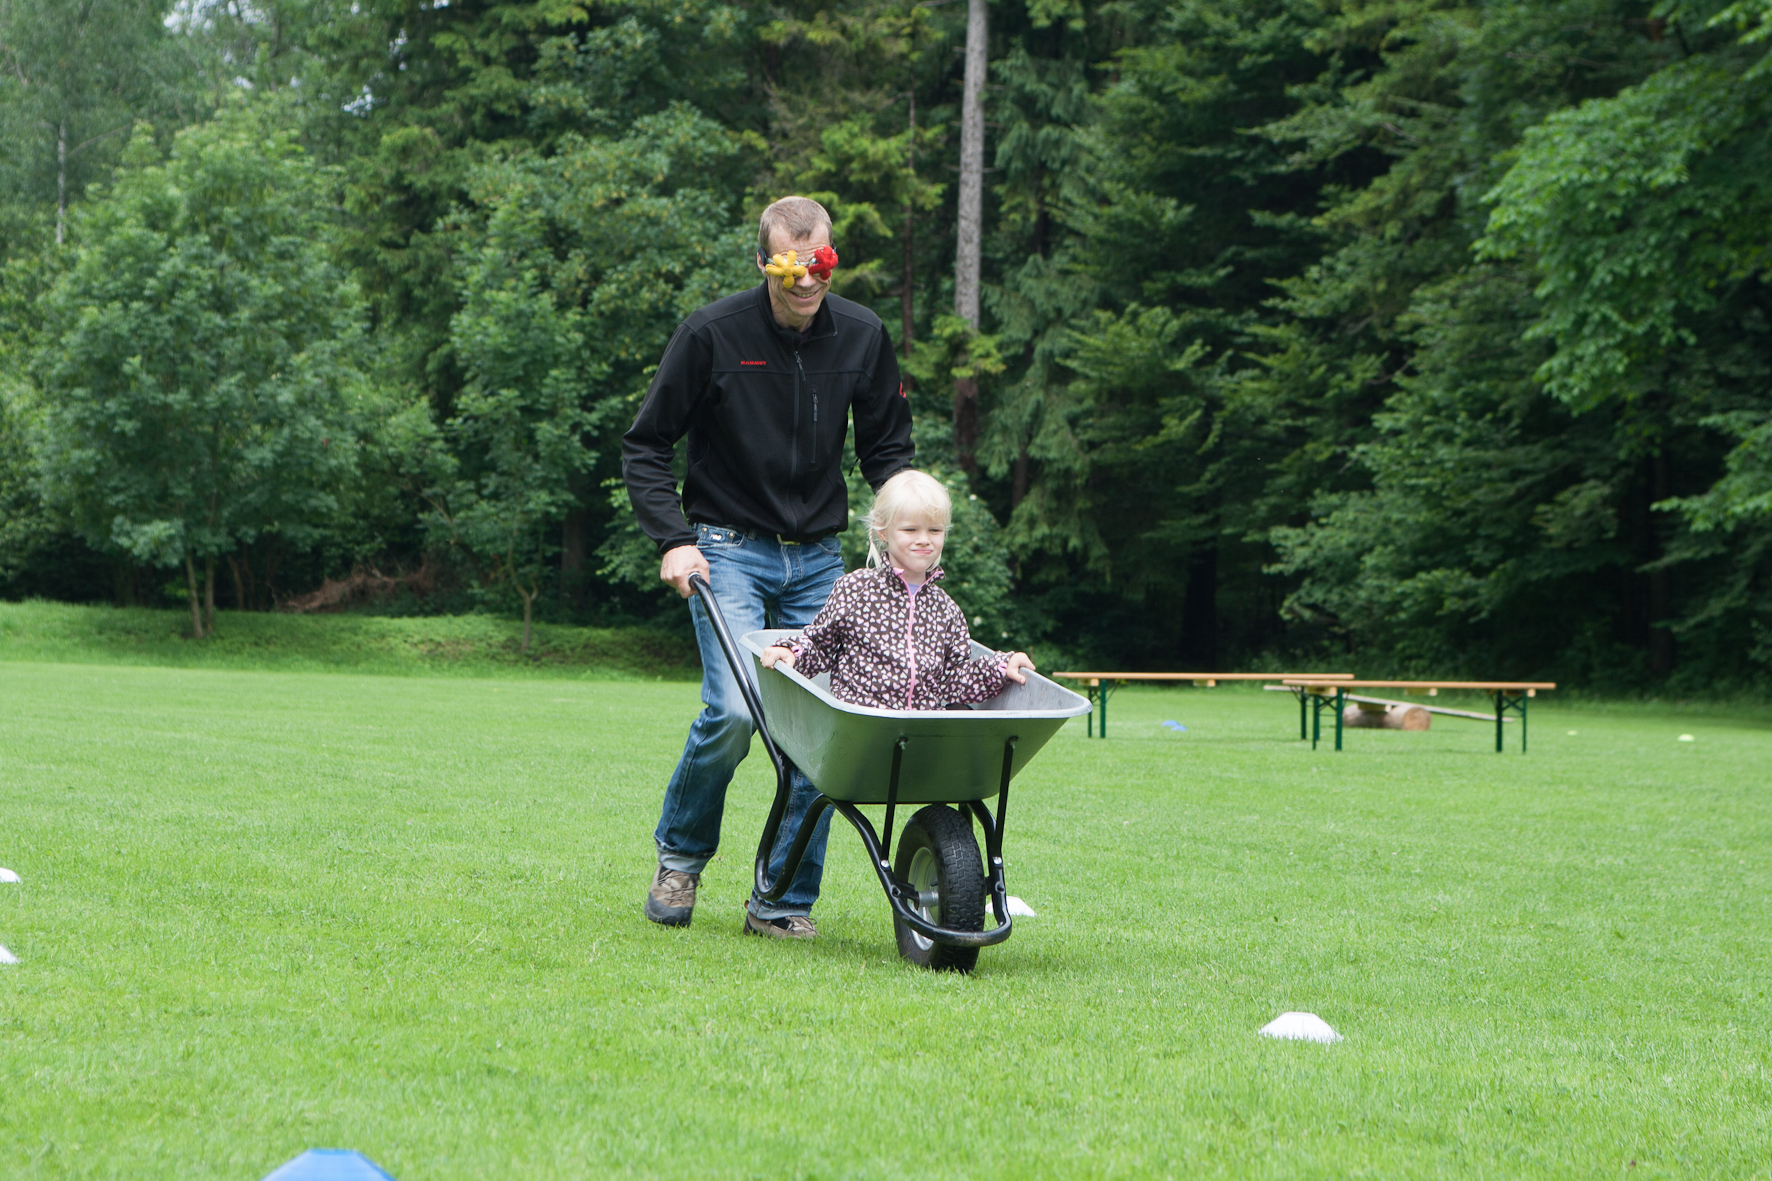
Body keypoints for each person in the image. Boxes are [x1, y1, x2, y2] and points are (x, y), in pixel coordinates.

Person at [622, 195, 913, 940]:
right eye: (788, 267)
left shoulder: (862, 335)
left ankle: (780, 899)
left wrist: (905, 524)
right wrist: (673, 539)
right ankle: (680, 860)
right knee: (734, 711)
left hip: (818, 560)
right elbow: (646, 444)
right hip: (727, 550)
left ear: (831, 261)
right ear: (762, 263)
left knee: (822, 728)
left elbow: (887, 450)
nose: (805, 281)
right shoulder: (712, 334)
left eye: (819, 264)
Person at [761, 469, 1036, 706]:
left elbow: (954, 681)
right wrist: (793, 652)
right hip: (862, 727)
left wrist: (999, 667)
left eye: (934, 530)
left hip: (919, 734)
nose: (924, 539)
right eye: (910, 530)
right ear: (883, 531)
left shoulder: (946, 610)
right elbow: (820, 645)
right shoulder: (856, 590)